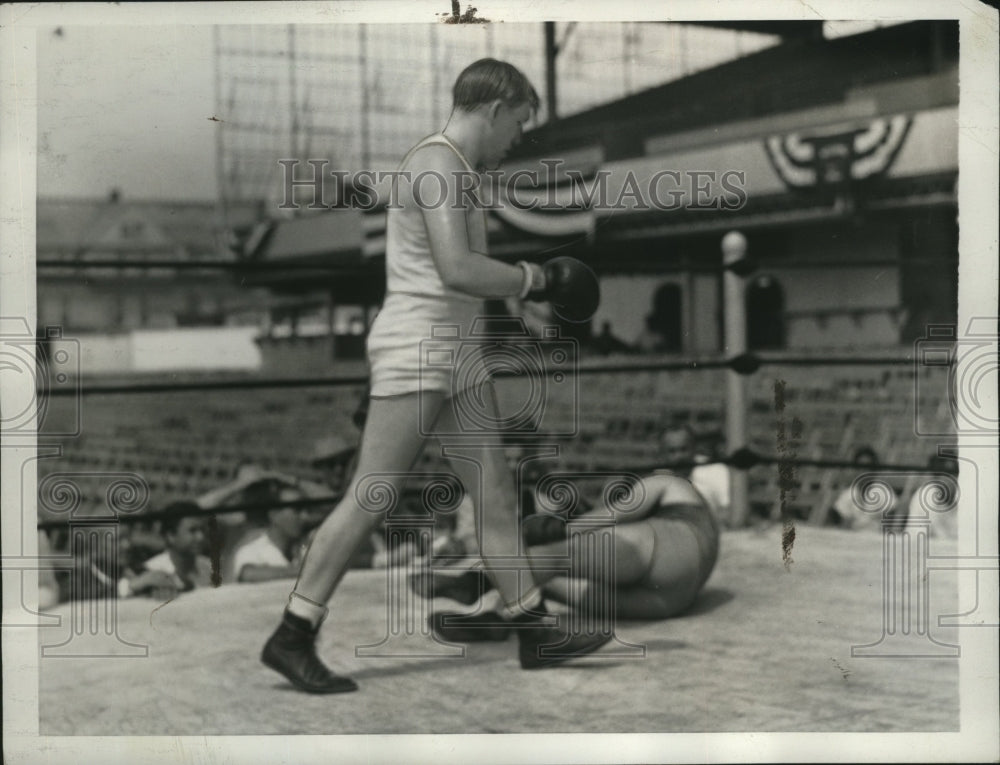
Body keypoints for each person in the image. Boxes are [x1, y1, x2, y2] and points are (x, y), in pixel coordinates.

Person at [261, 58, 610, 694]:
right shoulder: (437, 164)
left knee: (495, 493)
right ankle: (293, 634)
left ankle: (534, 628)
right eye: (519, 122)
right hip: (419, 346)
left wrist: (518, 296)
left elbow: (461, 271)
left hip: (457, 349)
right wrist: (535, 277)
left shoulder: (460, 173)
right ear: (495, 107)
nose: (517, 138)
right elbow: (454, 268)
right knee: (372, 494)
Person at [422, 464, 721, 641]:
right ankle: (496, 620)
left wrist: (548, 533)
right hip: (670, 601)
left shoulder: (667, 482)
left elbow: (607, 516)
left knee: (557, 553)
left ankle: (475, 581)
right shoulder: (700, 516)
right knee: (545, 583)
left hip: (667, 552)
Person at [233, 486, 311, 583]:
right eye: (297, 510)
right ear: (274, 514)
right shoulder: (252, 551)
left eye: (306, 510)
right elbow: (248, 574)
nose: (305, 516)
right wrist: (306, 571)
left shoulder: (309, 549)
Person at [659, 424, 731, 525]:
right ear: (663, 454)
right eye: (672, 451)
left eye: (683, 449)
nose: (679, 456)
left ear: (694, 448)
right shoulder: (656, 478)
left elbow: (729, 512)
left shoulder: (716, 470)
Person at [141, 501, 214, 593]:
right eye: (192, 531)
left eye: (202, 529)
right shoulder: (150, 571)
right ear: (171, 536)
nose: (201, 537)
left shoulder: (209, 567)